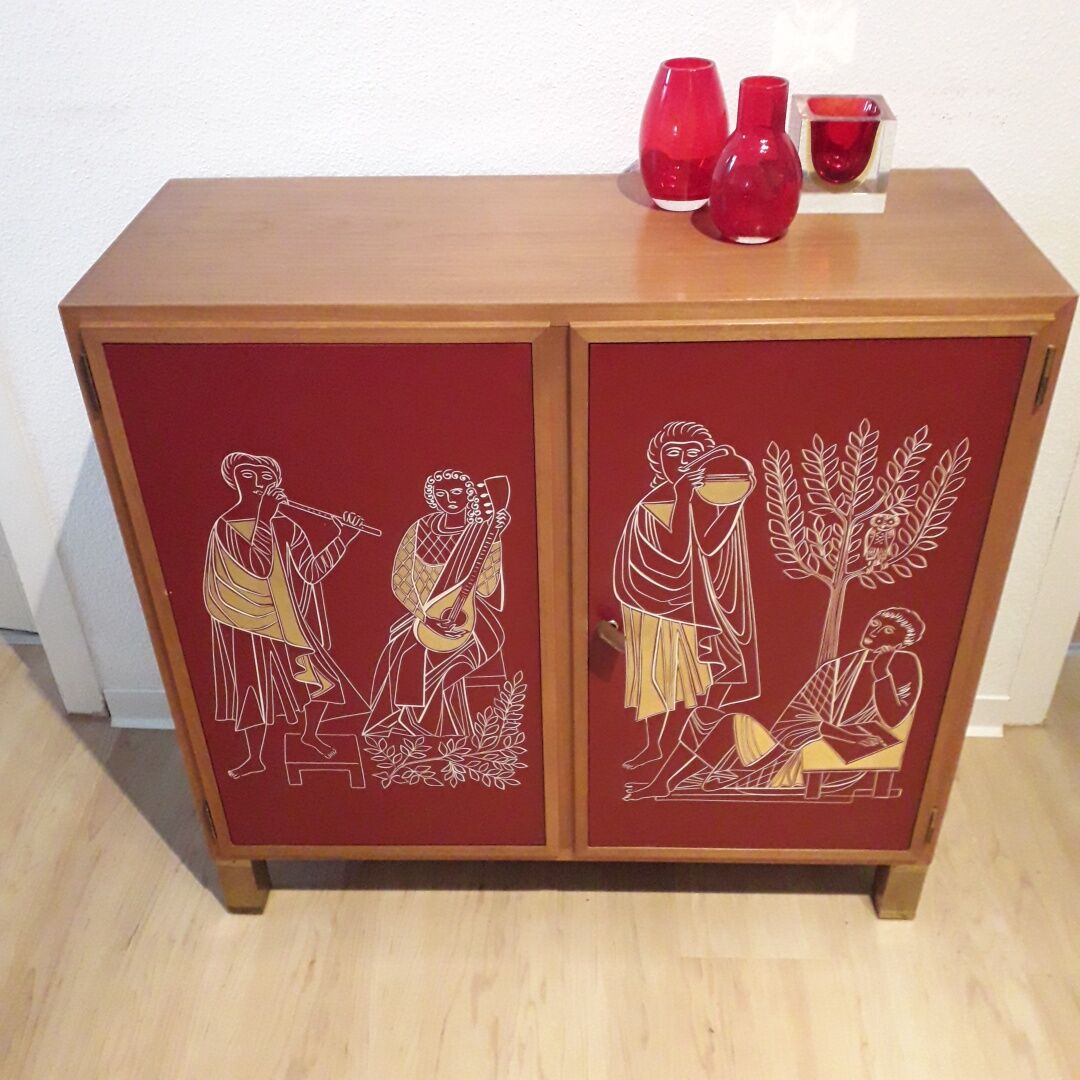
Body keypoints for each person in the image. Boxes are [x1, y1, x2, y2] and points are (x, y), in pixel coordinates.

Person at [625, 606, 925, 800]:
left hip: (840, 754)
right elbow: (799, 715)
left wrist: (881, 674)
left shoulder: (904, 664)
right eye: (874, 623)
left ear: (903, 639)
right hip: (796, 743)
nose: (873, 631)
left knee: (730, 724)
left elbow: (893, 720)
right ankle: (663, 783)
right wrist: (825, 728)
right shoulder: (838, 666)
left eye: (886, 630)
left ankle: (739, 773)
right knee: (703, 715)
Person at [203, 452, 369, 778]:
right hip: (246, 622)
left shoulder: (285, 525)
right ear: (234, 480)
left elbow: (311, 571)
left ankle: (310, 734)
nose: (258, 484)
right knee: (254, 691)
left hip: (287, 619)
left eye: (265, 478)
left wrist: (343, 538)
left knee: (323, 681)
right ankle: (255, 758)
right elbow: (258, 566)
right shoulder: (226, 527)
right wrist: (264, 518)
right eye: (248, 476)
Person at [614, 421, 759, 771]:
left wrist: (737, 503)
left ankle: (684, 752)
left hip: (693, 607)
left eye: (692, 453)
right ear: (658, 460)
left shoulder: (702, 499)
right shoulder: (652, 503)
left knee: (692, 682)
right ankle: (654, 747)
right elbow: (677, 553)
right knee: (657, 682)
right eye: (673, 453)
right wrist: (682, 495)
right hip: (652, 605)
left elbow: (708, 545)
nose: (682, 460)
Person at [364, 469, 510, 739]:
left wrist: (496, 537)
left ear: (469, 496)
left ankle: (440, 729)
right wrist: (423, 616)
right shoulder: (419, 529)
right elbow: (401, 579)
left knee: (444, 663)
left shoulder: (480, 532)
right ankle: (404, 720)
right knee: (403, 647)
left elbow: (487, 589)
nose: (450, 499)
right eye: (441, 494)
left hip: (471, 619)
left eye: (457, 493)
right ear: (432, 498)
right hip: (424, 616)